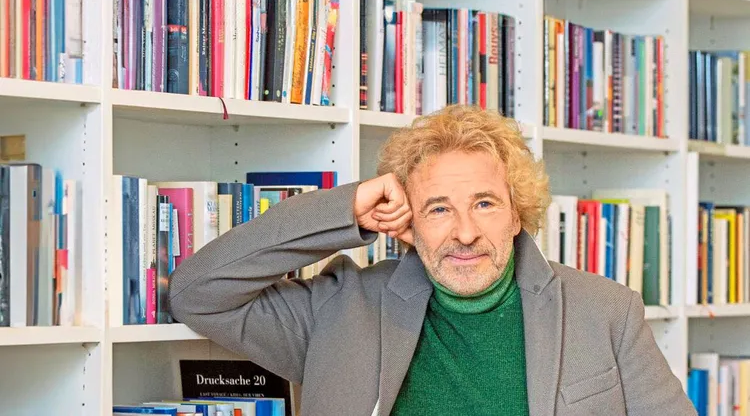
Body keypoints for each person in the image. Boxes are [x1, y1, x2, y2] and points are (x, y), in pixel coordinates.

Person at [168, 105, 697, 416]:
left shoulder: (605, 312)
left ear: (517, 214)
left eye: (485, 204)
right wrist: (346, 210)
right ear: (407, 221)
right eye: (438, 208)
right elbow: (197, 293)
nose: (464, 232)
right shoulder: (341, 309)